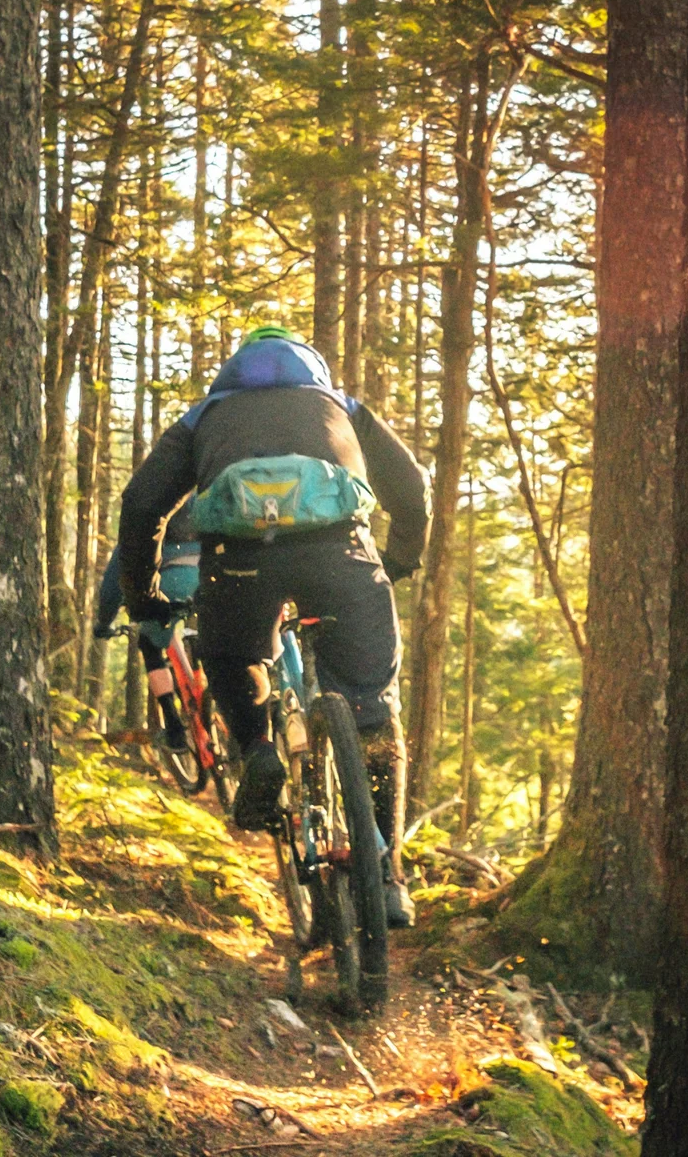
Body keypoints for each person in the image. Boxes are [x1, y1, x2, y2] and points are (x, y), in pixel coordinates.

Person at [115, 325, 431, 927]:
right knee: (374, 712)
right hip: (340, 555)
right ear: (313, 369)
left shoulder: (206, 416)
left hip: (240, 562)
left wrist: (145, 599)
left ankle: (258, 748)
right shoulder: (341, 406)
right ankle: (388, 875)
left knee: (231, 656)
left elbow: (141, 504)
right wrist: (398, 562)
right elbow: (412, 487)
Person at [92, 497, 200, 752]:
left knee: (149, 645)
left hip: (168, 586)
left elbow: (112, 586)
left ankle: (174, 729)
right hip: (209, 577)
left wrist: (104, 623)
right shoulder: (200, 499)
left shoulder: (142, 512)